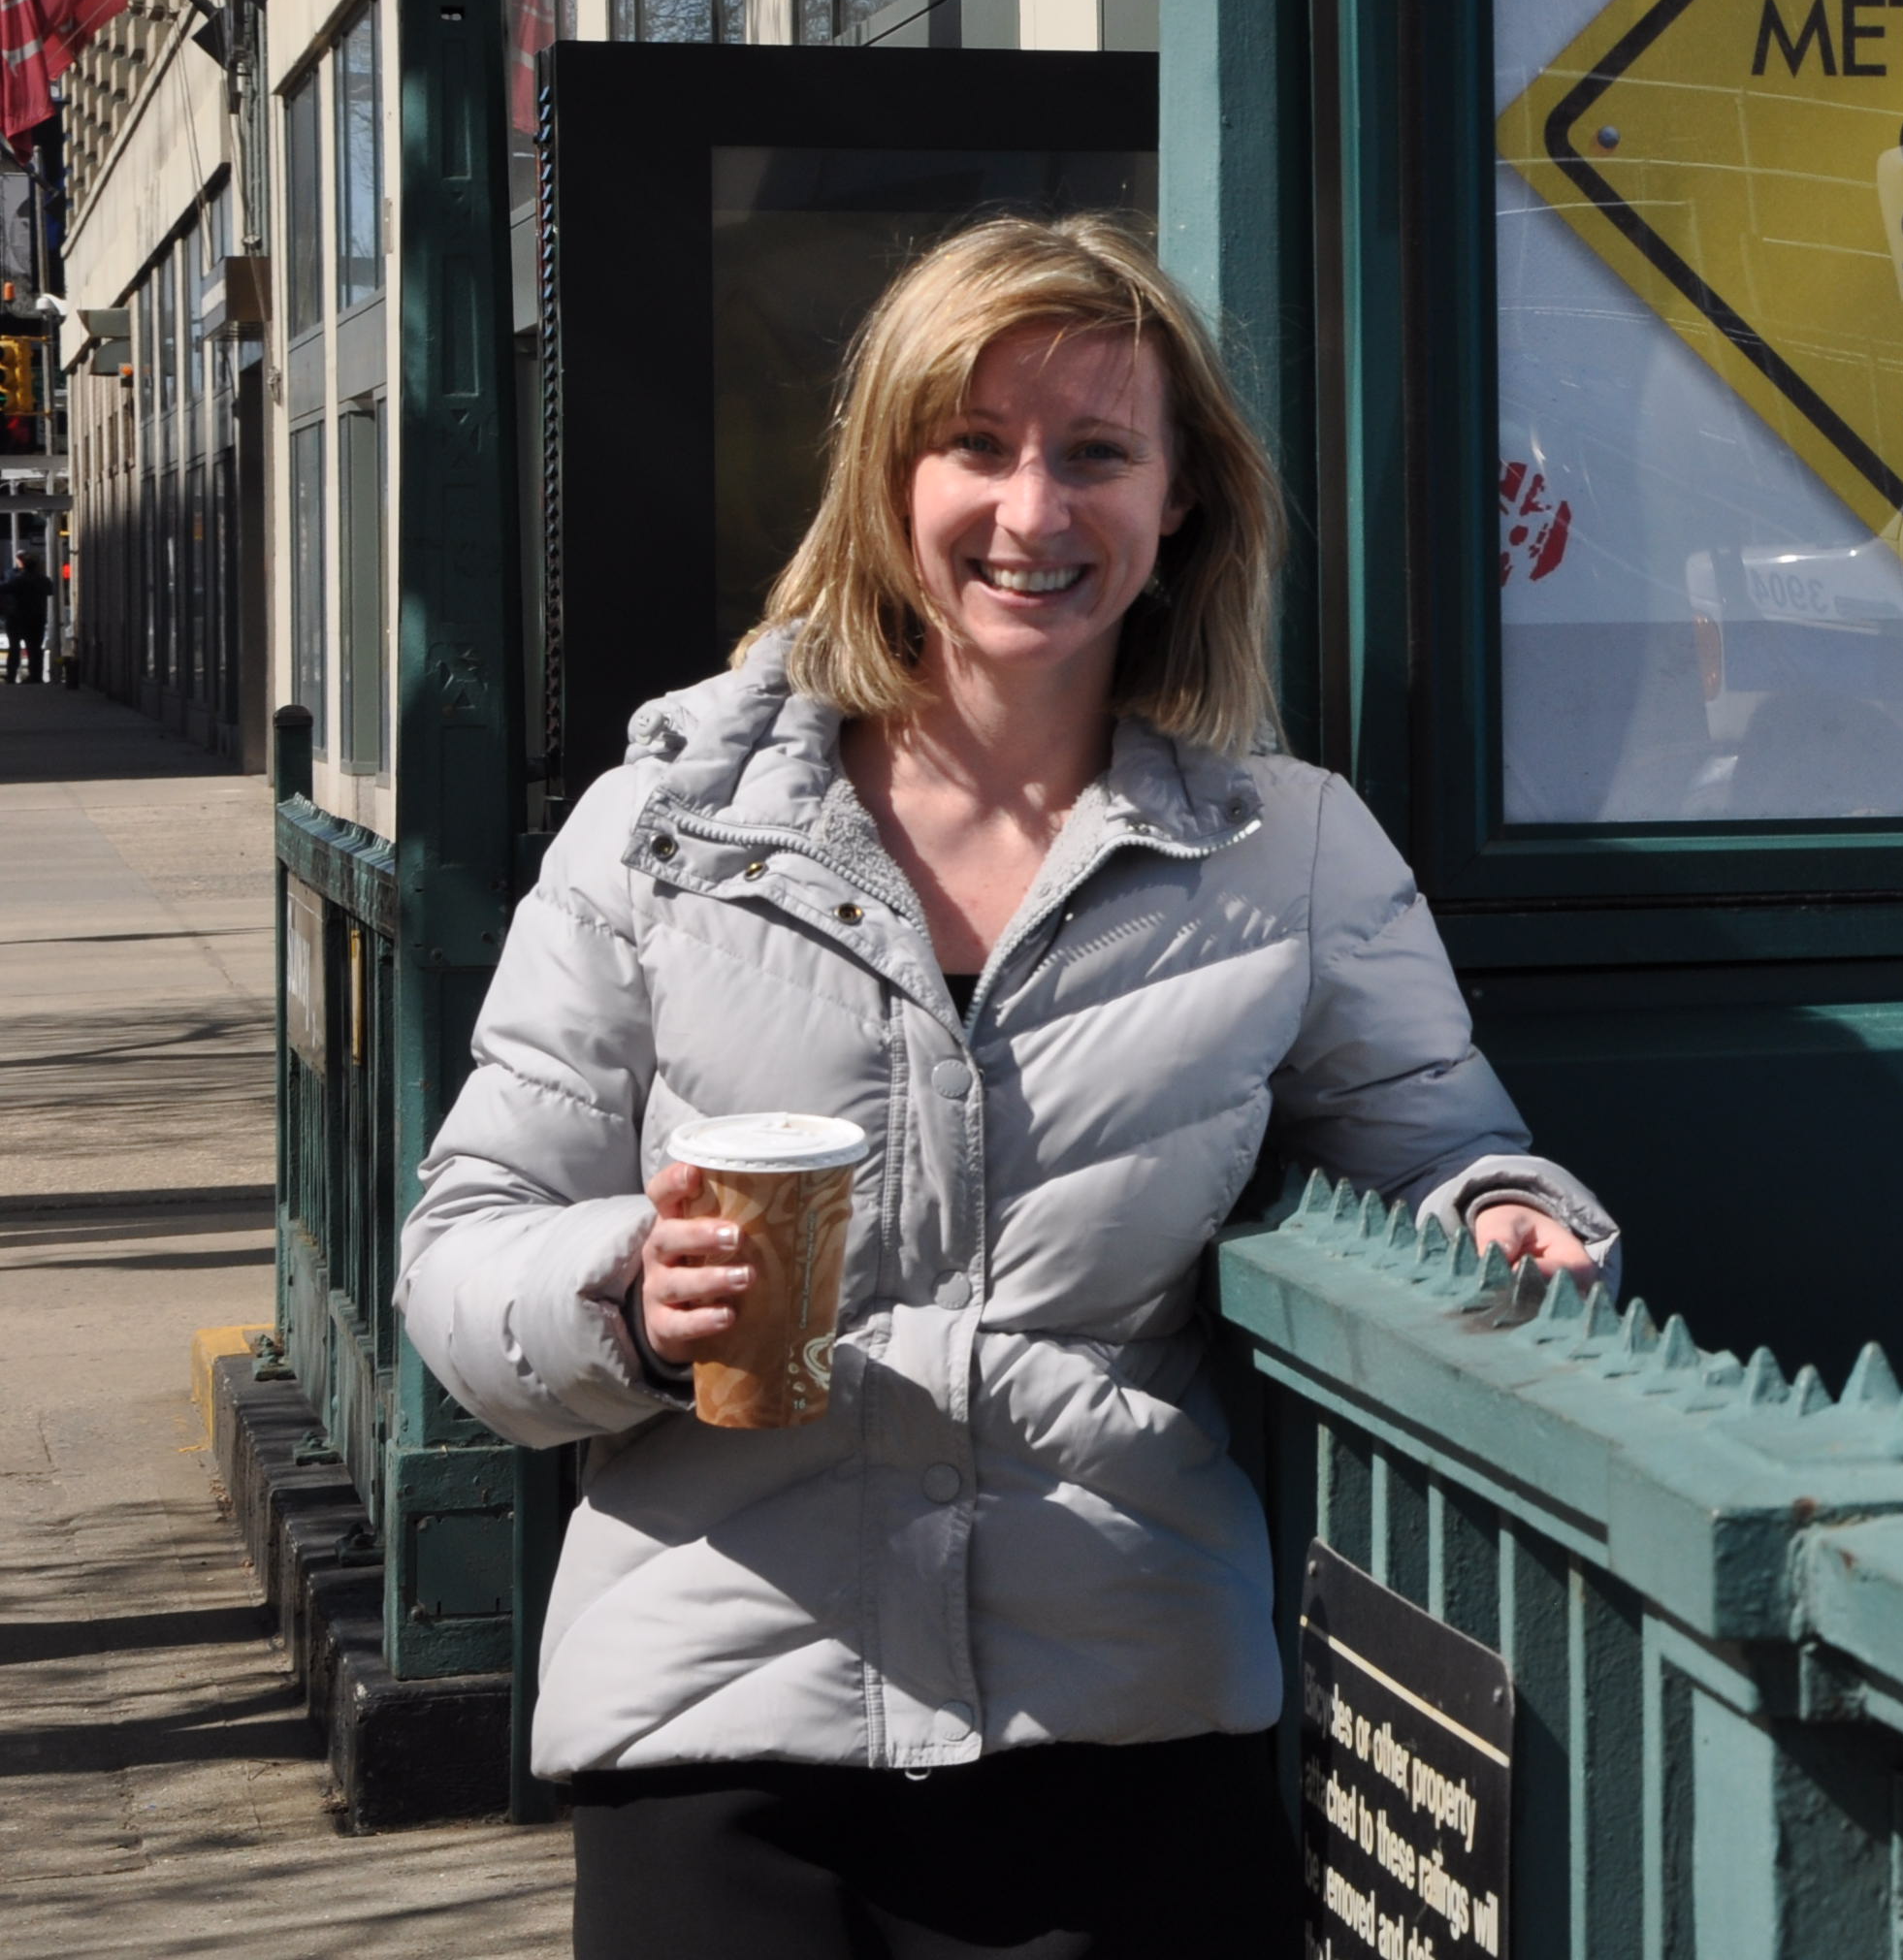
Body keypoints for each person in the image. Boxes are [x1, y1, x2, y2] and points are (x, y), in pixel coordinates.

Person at [397, 215, 1616, 1958]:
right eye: (974, 444)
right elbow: (462, 1248)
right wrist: (625, 1298)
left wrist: (1506, 1218)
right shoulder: (666, 832)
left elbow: (1449, 1149)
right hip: (718, 1742)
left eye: (1096, 452)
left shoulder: (1292, 851)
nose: (1033, 512)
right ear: (890, 476)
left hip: (1125, 1740)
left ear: (1179, 496)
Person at [0, 549, 48, 683]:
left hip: (18, 618)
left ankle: (12, 677)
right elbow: (50, 589)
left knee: (16, 648)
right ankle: (35, 676)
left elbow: (4, 588)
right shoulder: (42, 579)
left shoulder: (17, 579)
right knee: (34, 649)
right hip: (36, 618)